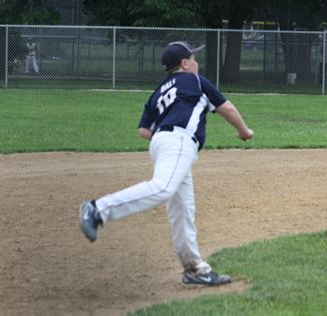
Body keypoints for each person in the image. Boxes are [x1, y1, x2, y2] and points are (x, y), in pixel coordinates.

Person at [79, 41, 254, 286]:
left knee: (182, 210)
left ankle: (196, 270)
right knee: (162, 188)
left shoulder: (159, 90)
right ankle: (98, 209)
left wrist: (165, 135)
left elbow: (143, 130)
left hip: (162, 143)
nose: (197, 63)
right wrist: (244, 131)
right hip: (179, 141)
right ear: (184, 63)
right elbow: (227, 108)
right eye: (193, 58)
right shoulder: (195, 80)